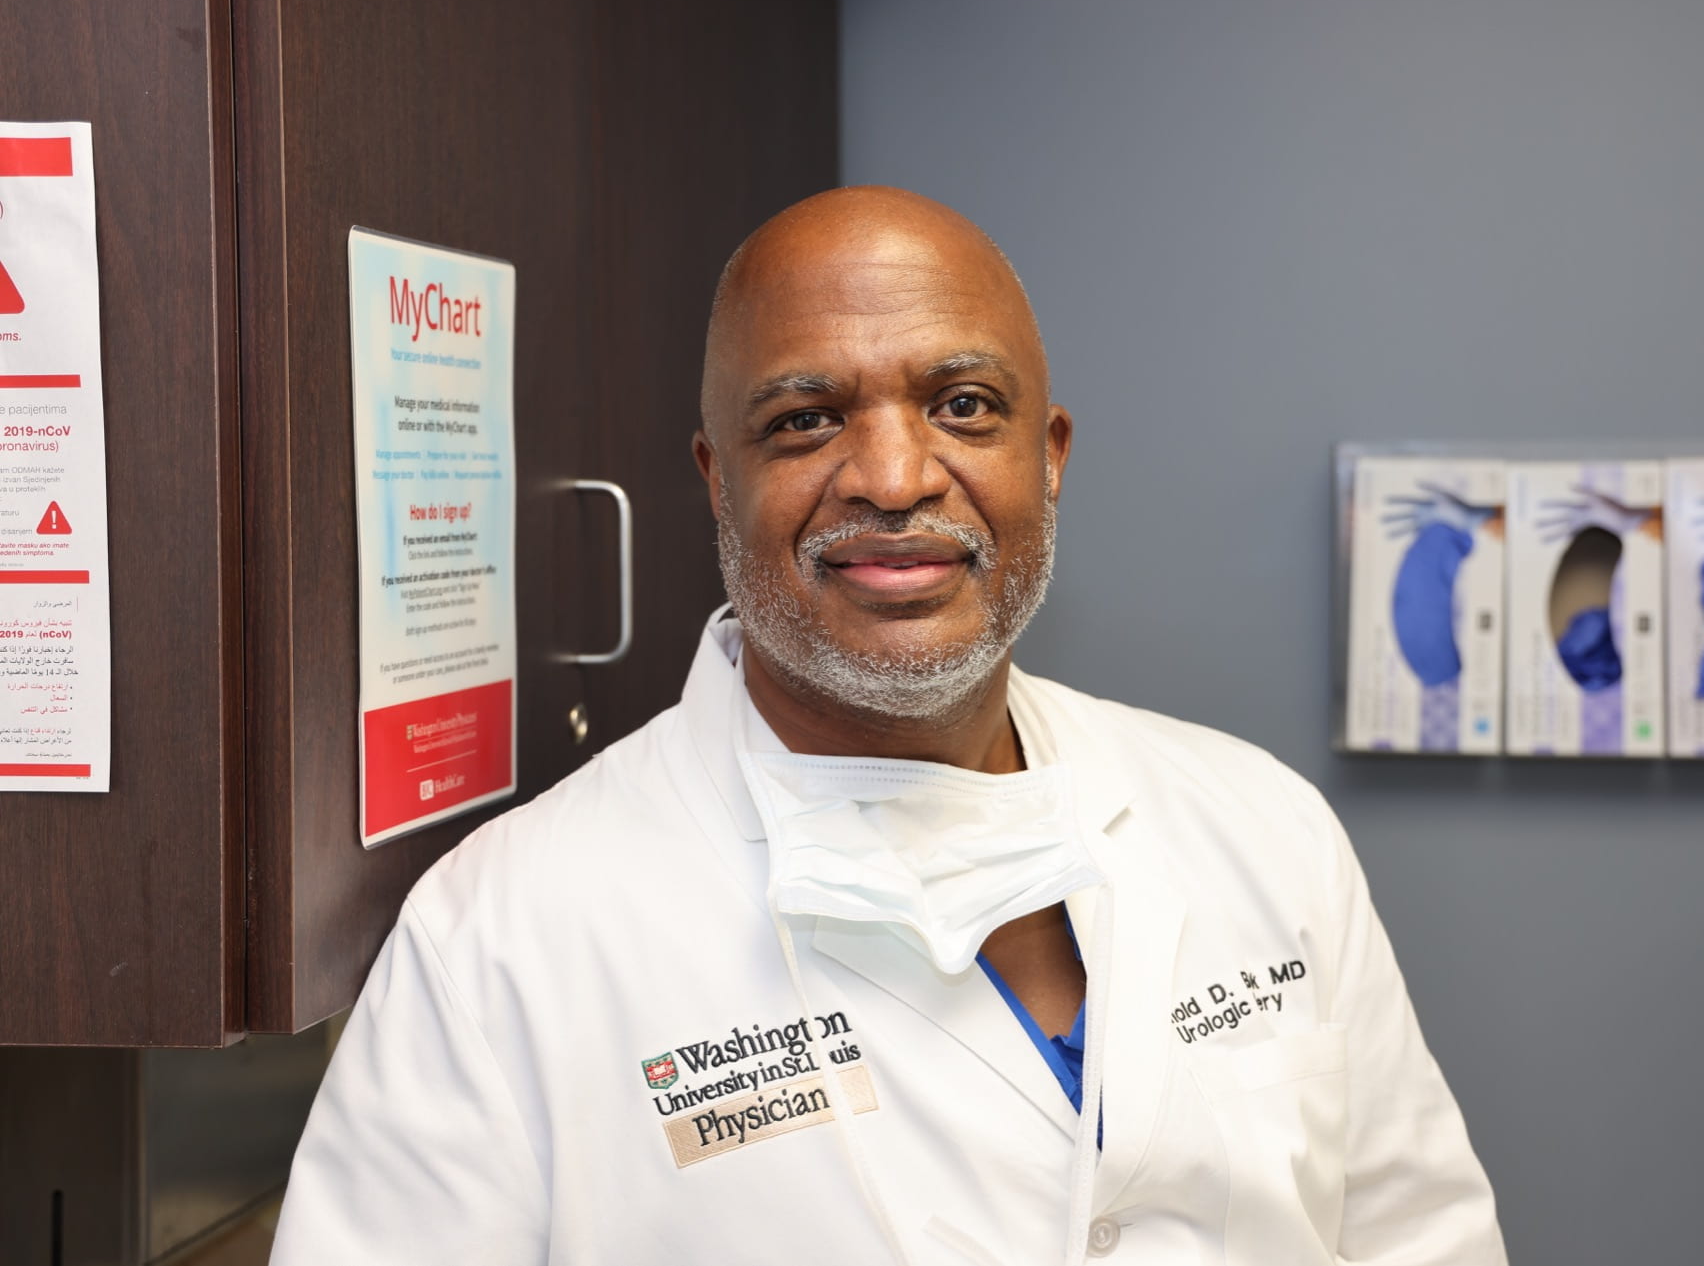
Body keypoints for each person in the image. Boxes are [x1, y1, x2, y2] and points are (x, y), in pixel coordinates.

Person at [271, 187, 1507, 1265]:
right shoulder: (500, 943)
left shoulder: (1262, 826)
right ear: (718, 478)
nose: (896, 477)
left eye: (964, 404)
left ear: (1051, 455)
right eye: (806, 420)